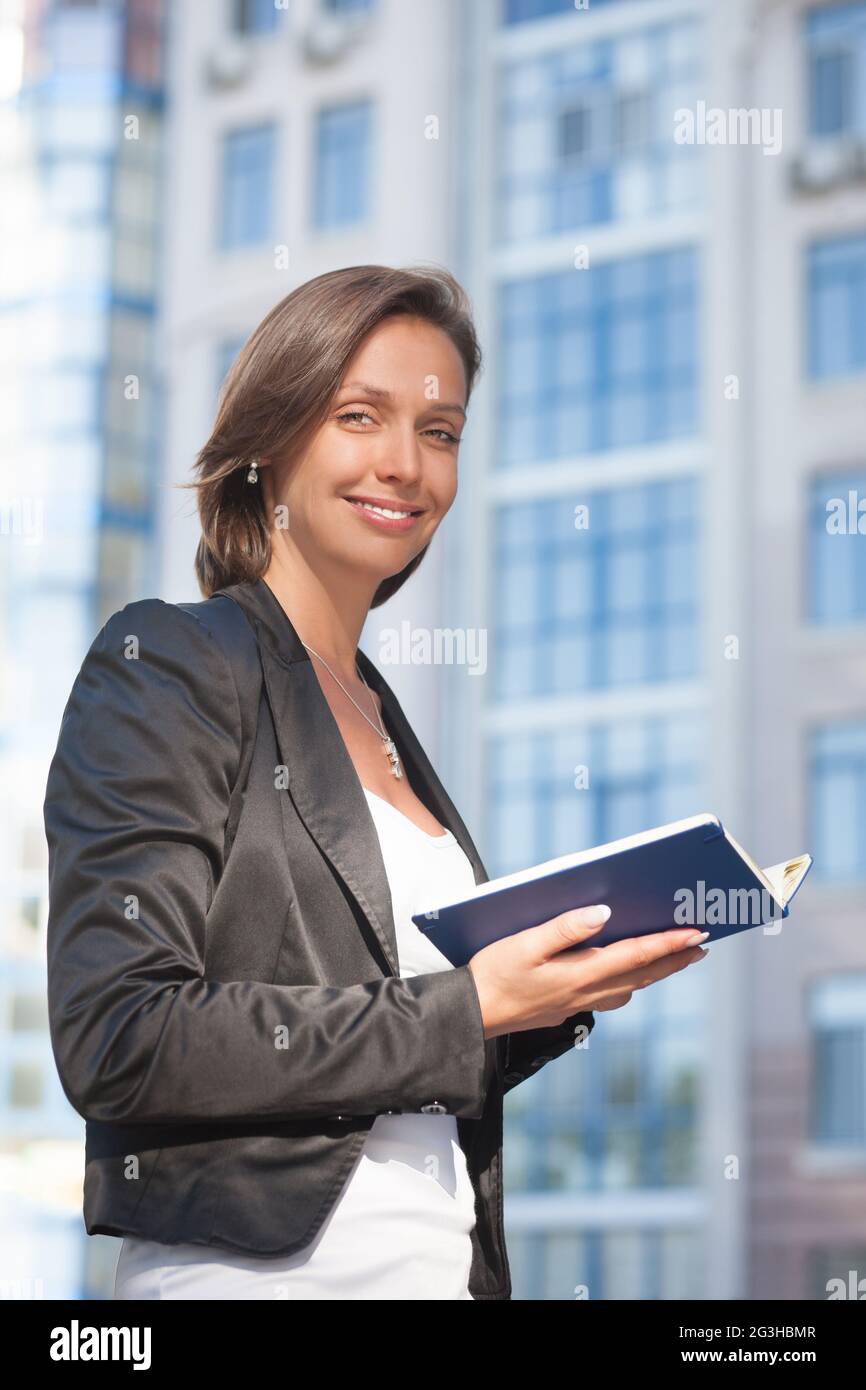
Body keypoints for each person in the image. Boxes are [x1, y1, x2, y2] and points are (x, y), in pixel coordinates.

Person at [44, 264, 709, 1301]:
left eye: (438, 433)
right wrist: (465, 1008)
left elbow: (398, 1054)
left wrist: (543, 995)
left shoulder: (381, 713)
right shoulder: (172, 662)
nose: (404, 464)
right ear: (268, 441)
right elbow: (121, 1035)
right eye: (361, 416)